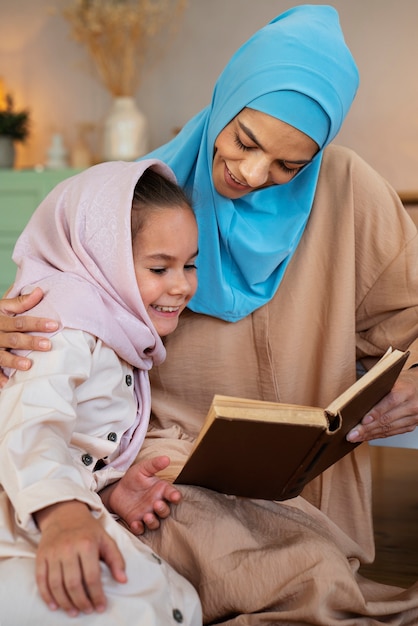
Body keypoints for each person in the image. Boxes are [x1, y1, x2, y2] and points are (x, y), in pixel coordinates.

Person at [2, 4, 418, 624]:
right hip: (162, 479)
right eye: (245, 140)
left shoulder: (353, 194)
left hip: (307, 486)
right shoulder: (145, 196)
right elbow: (52, 317)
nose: (251, 175)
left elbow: (410, 320)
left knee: (310, 562)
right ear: (226, 98)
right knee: (278, 573)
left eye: (288, 165)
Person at [0, 159, 202, 624]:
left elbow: (79, 445)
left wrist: (109, 492)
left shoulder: (117, 331)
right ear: (102, 258)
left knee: (178, 602)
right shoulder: (62, 326)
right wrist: (65, 514)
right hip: (33, 506)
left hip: (65, 503)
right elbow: (31, 425)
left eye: (189, 265)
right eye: (159, 267)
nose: (181, 285)